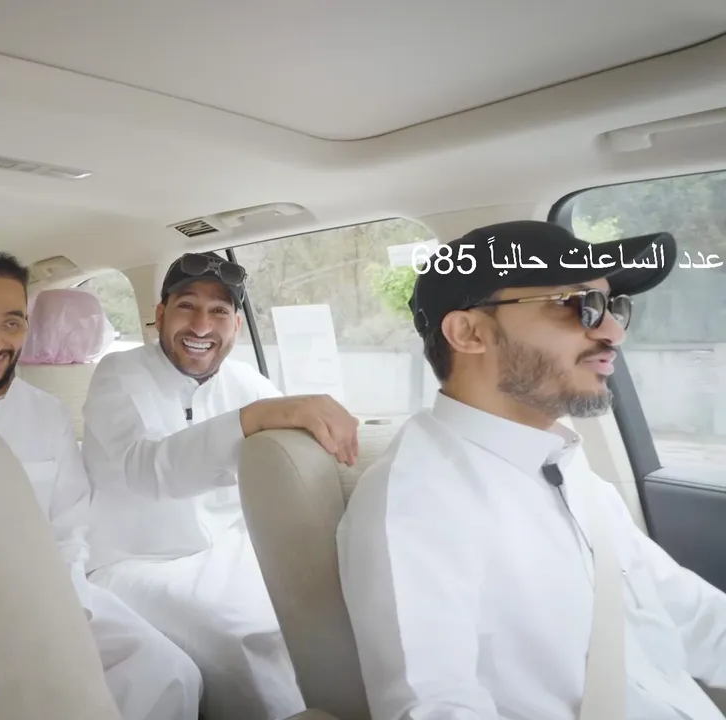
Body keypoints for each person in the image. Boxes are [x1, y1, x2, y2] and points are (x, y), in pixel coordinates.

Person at [337, 220, 726, 719]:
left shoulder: (573, 474)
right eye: (578, 305)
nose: (614, 332)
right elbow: (433, 707)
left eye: (614, 307)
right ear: (469, 333)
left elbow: (695, 617)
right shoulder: (415, 503)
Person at [0, 250, 203, 720]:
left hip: (51, 593)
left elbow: (70, 523)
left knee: (169, 671)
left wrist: (59, 605)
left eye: (12, 323)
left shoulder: (48, 413)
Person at [80, 251, 360, 720]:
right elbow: (148, 471)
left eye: (219, 312)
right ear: (160, 315)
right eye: (187, 306)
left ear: (236, 325)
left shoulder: (246, 381)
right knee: (241, 633)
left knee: (326, 608)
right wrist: (253, 419)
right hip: (136, 561)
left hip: (231, 551)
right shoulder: (118, 375)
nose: (201, 326)